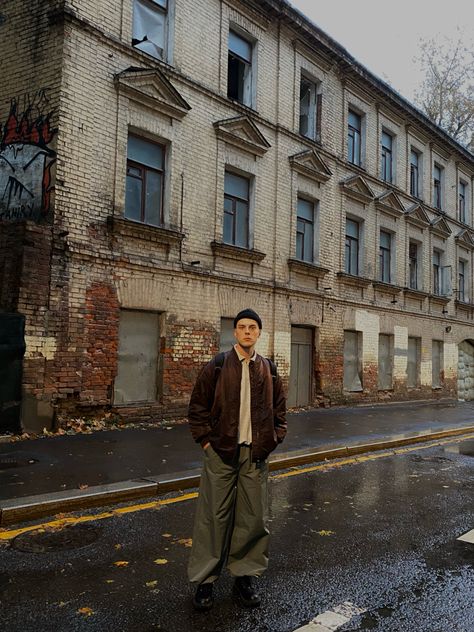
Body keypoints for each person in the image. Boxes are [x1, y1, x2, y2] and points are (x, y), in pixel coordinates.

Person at [187, 308, 287, 611]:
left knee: (253, 518)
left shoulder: (268, 369)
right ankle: (205, 581)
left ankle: (245, 577)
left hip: (254, 455)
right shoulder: (217, 366)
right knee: (213, 518)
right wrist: (207, 443)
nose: (247, 331)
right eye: (242, 327)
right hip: (221, 453)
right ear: (235, 333)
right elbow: (197, 409)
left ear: (258, 333)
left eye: (252, 327)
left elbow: (280, 413)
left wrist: (273, 440)